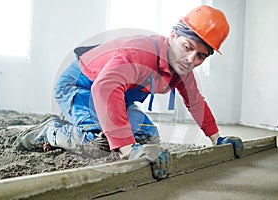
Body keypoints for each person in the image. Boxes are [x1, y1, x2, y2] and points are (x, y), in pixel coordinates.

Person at [15, 5, 243, 165]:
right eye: (187, 47)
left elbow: (195, 102)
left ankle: (89, 126)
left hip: (116, 96)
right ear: (173, 36)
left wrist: (217, 139)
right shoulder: (138, 54)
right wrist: (126, 149)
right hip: (81, 86)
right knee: (100, 144)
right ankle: (50, 131)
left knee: (147, 138)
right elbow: (104, 88)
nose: (191, 60)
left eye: (201, 56)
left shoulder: (183, 68)